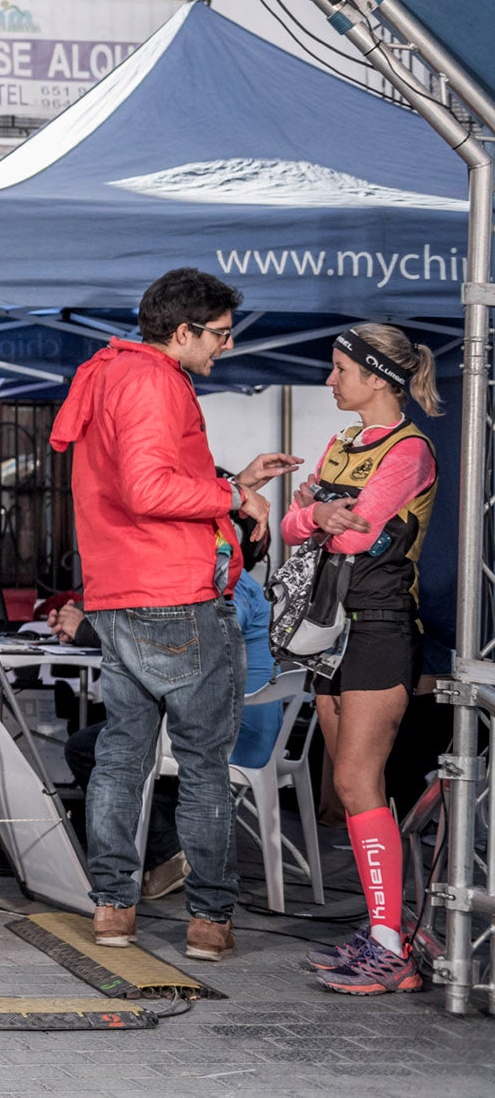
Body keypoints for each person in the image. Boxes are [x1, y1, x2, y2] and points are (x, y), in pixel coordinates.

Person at [48, 268, 303, 964]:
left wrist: (233, 483)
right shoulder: (157, 380)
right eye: (219, 334)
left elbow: (132, 477)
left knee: (121, 758)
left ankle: (112, 911)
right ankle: (209, 919)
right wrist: (229, 497)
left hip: (119, 593)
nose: (226, 346)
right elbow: (150, 486)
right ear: (183, 330)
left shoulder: (106, 372)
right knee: (200, 765)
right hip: (178, 592)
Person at [281, 325, 443, 995]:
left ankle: (389, 941)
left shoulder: (410, 449)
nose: (330, 379)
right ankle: (381, 930)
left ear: (378, 376)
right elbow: (295, 524)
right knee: (347, 788)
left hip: (379, 627)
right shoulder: (345, 442)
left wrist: (316, 511)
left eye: (340, 368)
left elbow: (362, 533)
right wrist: (321, 513)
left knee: (356, 779)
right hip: (331, 629)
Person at [55, 500, 283, 903]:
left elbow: (187, 651)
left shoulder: (231, 588)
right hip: (235, 718)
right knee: (124, 744)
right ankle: (175, 862)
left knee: (101, 750)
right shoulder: (233, 582)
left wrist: (92, 631)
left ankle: (165, 858)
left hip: (236, 728)